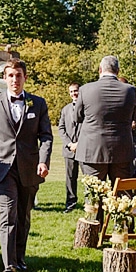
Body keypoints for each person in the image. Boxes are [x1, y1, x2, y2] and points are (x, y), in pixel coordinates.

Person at [0, 59, 53, 272]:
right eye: (10, 75)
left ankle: (20, 258)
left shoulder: (37, 103)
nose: (14, 80)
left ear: (25, 77)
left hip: (30, 169)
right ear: (4, 78)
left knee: (23, 215)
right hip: (3, 168)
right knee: (8, 213)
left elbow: (46, 136)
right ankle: (8, 264)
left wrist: (44, 161)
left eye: (18, 75)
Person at [74, 56, 136, 223]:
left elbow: (77, 116)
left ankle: (94, 231)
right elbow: (134, 116)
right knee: (123, 194)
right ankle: (123, 230)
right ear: (118, 71)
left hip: (92, 149)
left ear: (99, 70)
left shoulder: (86, 89)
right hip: (121, 149)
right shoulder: (130, 90)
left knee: (94, 195)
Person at [57, 83, 81, 213]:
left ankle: (91, 205)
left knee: (89, 178)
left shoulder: (87, 108)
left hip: (84, 149)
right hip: (69, 150)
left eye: (76, 91)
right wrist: (69, 144)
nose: (74, 94)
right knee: (70, 178)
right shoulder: (65, 109)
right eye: (71, 92)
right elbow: (61, 128)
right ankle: (71, 204)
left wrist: (79, 144)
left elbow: (89, 128)